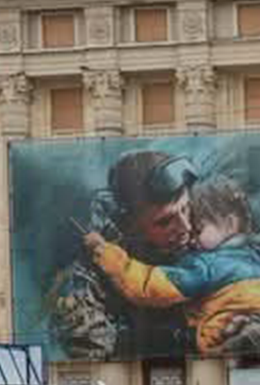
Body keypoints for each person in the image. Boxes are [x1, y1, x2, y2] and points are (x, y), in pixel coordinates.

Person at [83, 176, 260, 353]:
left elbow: (151, 286)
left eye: (198, 229)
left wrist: (106, 253)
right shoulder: (256, 251)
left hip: (215, 338)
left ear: (230, 222)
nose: (190, 234)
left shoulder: (206, 265)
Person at [46, 150, 198, 359]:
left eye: (186, 209)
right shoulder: (84, 288)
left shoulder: (210, 239)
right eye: (164, 222)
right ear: (130, 225)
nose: (185, 227)